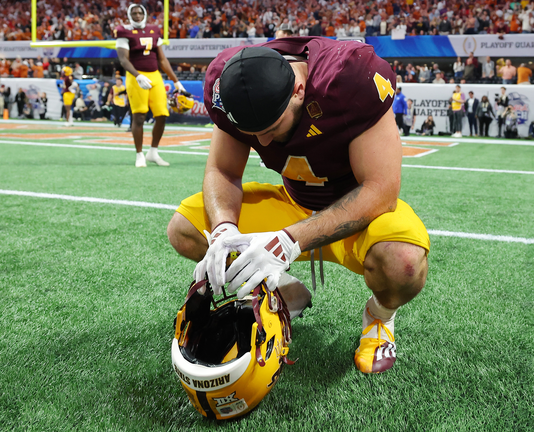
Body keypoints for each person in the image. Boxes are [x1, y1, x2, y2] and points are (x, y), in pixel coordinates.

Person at [166, 38, 430, 375]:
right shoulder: (228, 81)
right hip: (293, 201)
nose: (261, 143)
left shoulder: (350, 77)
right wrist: (222, 229)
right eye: (252, 133)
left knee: (403, 262)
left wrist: (289, 241)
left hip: (358, 212)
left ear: (299, 90)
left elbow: (380, 191)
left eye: (271, 129)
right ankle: (286, 293)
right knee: (186, 229)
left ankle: (380, 317)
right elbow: (223, 170)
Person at [115, 3, 187, 167]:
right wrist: (137, 75)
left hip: (155, 75)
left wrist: (175, 80)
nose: (137, 15)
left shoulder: (154, 30)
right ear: (129, 15)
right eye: (134, 13)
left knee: (162, 115)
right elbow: (123, 59)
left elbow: (162, 59)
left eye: (140, 12)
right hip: (136, 76)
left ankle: (153, 152)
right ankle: (139, 154)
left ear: (145, 14)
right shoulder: (123, 31)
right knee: (139, 115)